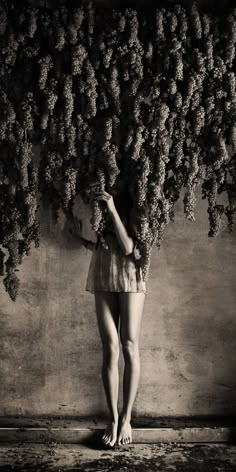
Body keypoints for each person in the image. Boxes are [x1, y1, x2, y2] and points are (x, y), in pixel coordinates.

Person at [71, 177, 147, 448]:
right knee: (111, 348)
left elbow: (128, 248)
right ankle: (113, 419)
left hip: (130, 275)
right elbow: (86, 238)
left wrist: (113, 209)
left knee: (129, 345)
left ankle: (127, 418)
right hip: (103, 272)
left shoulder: (139, 205)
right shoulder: (95, 204)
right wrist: (83, 227)